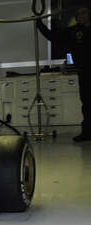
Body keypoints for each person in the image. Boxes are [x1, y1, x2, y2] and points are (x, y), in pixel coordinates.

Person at [37, 7, 91, 142]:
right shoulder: (73, 31)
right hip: (84, 72)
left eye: (84, 12)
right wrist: (39, 24)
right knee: (87, 104)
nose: (81, 15)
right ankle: (87, 133)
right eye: (78, 14)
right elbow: (53, 37)